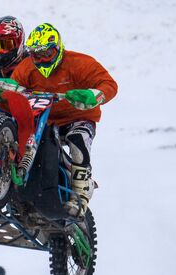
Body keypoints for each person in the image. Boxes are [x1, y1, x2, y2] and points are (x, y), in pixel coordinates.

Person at [10, 23, 118, 218]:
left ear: (58, 49)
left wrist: (94, 95)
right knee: (18, 136)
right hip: (45, 119)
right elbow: (13, 90)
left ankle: (81, 194)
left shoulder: (80, 63)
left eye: (47, 54)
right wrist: (5, 90)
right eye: (37, 55)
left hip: (79, 117)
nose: (42, 60)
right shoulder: (26, 68)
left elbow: (109, 84)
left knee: (78, 139)